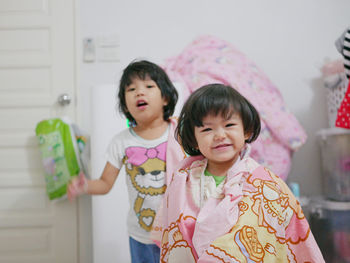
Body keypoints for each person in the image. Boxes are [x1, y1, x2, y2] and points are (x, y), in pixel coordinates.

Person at [157, 84, 325, 262]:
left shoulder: (265, 182)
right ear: (194, 140)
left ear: (246, 131)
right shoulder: (183, 180)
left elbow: (282, 231)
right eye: (207, 129)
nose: (220, 135)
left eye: (229, 125)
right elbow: (175, 233)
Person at [67, 60, 185, 263]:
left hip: (177, 230)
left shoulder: (180, 133)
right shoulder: (121, 142)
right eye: (131, 89)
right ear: (126, 105)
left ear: (165, 98)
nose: (139, 92)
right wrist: (84, 185)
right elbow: (104, 183)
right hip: (141, 235)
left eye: (149, 86)